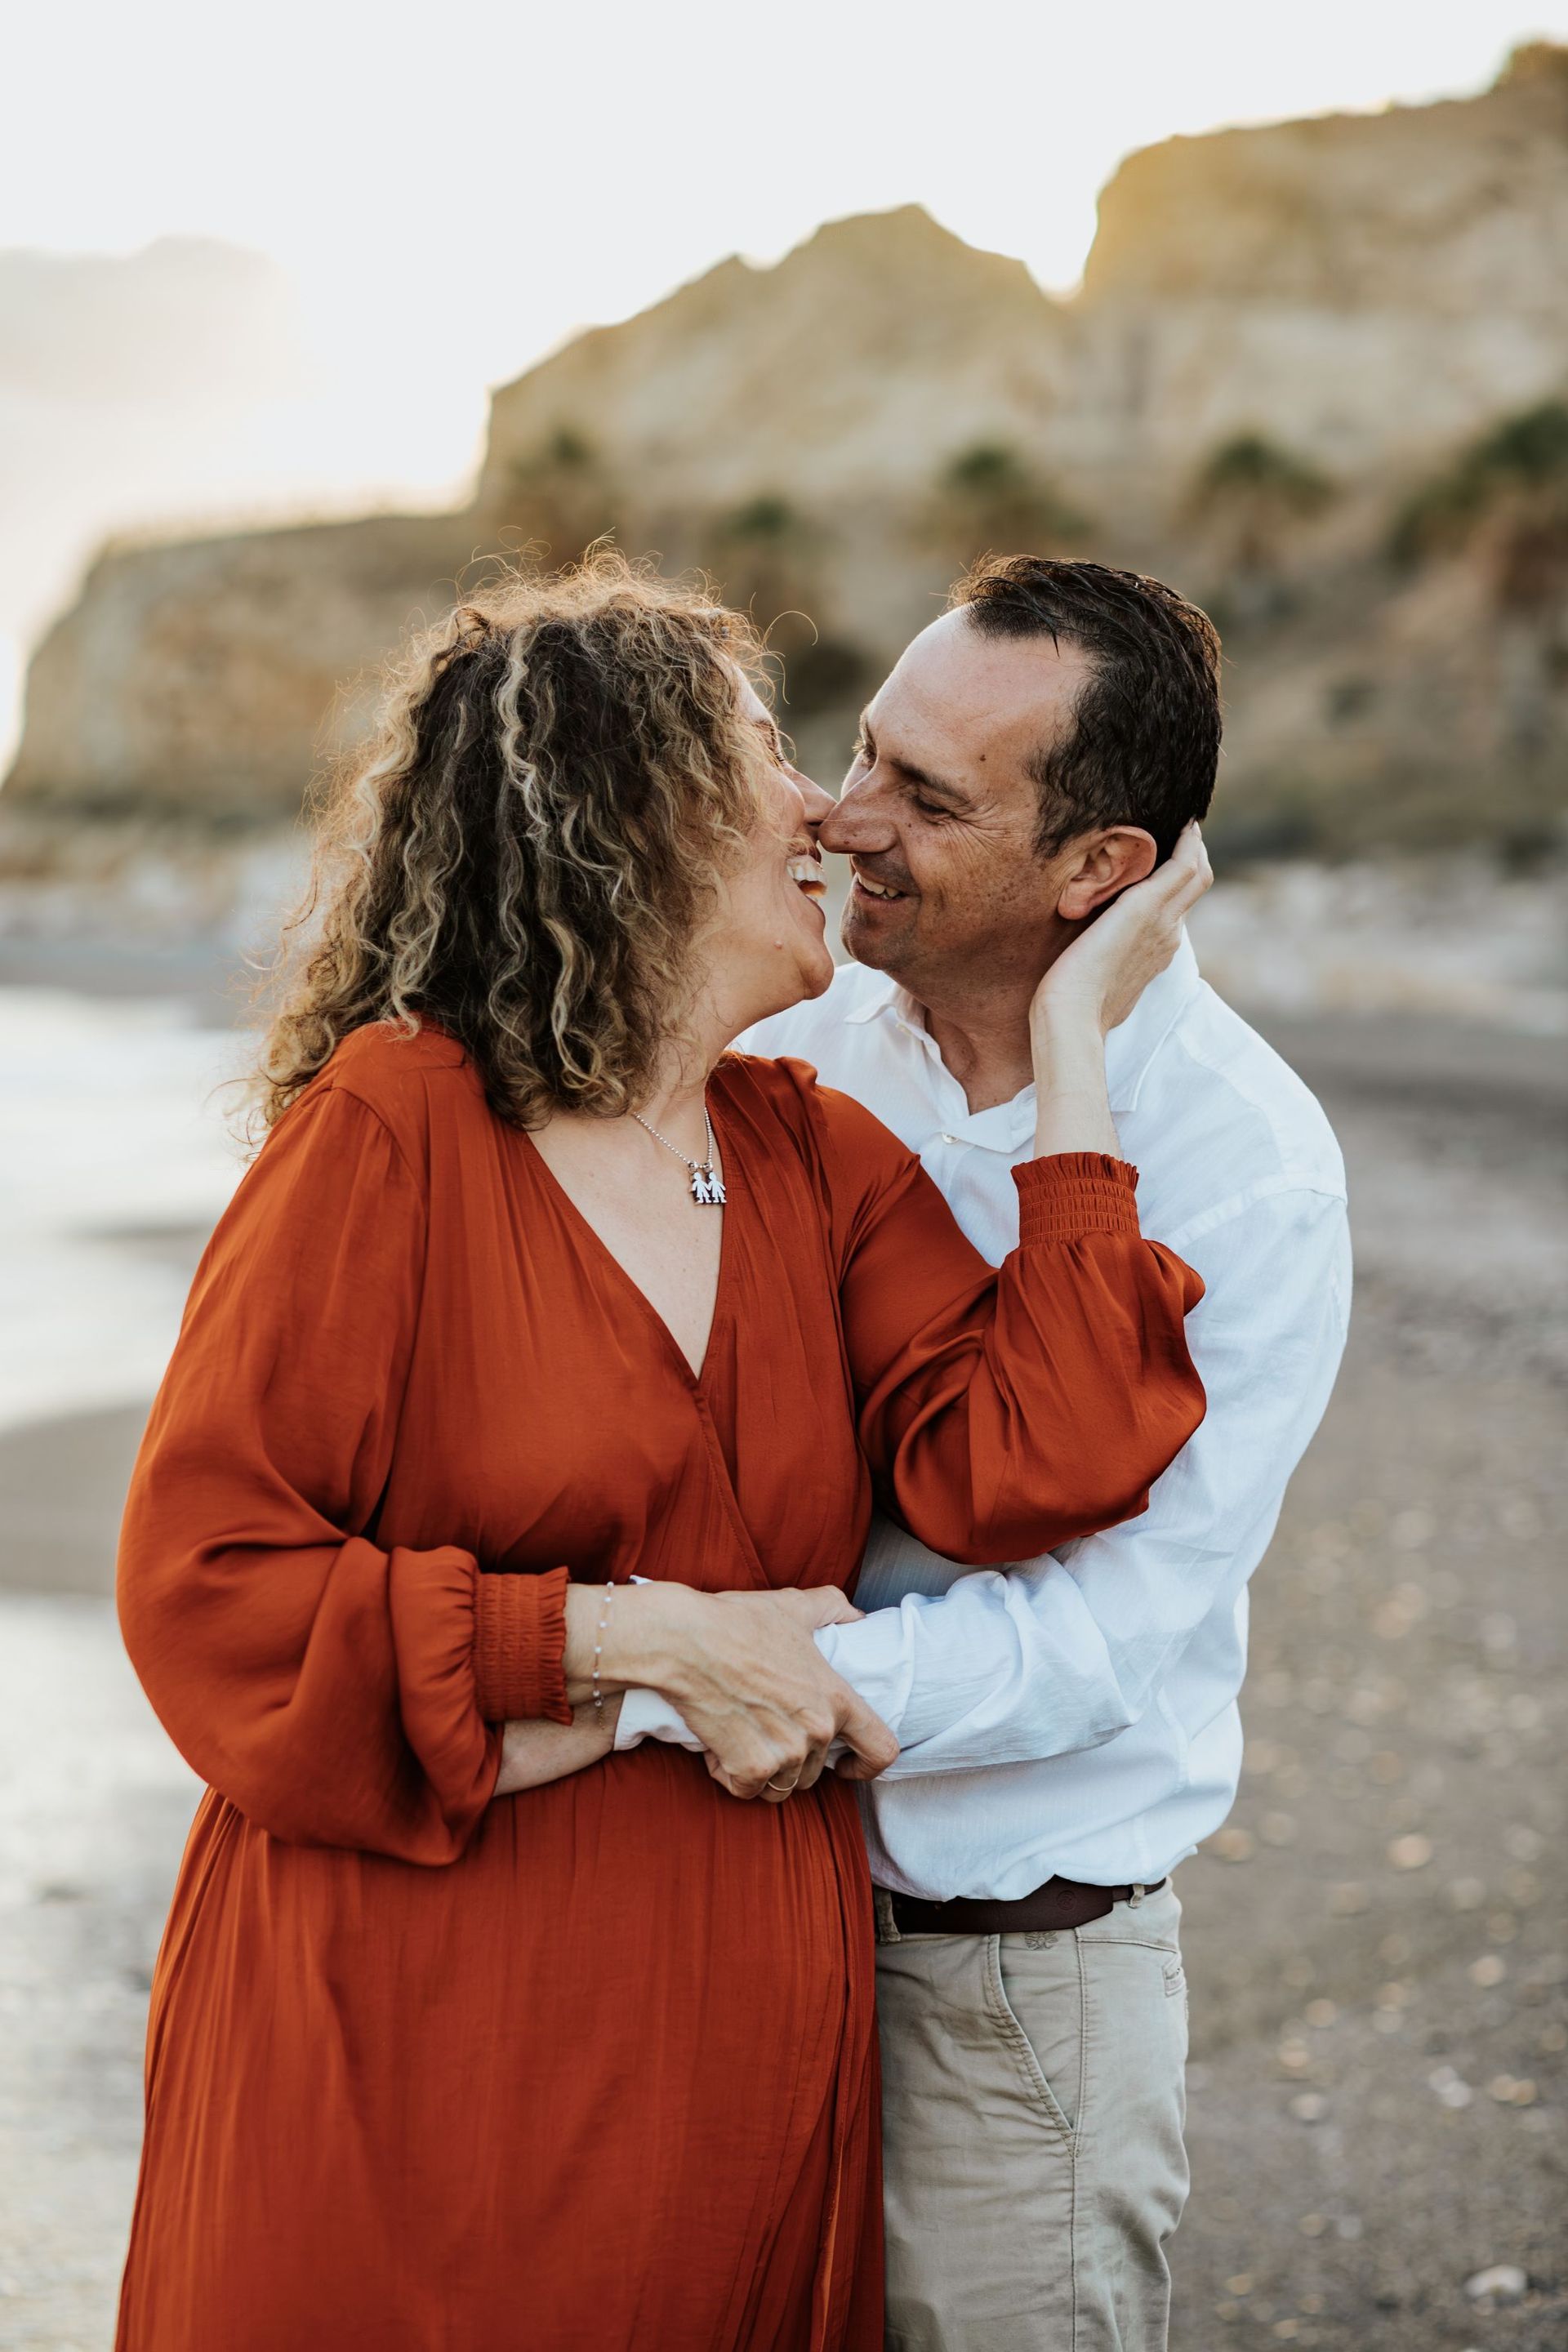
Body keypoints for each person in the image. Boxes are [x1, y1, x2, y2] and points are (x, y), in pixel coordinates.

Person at [113, 556, 1211, 2352]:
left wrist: (1073, 1045)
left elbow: (1049, 1456)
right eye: (770, 750)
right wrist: (641, 1640)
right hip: (408, 2059)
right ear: (632, 817)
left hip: (730, 2086)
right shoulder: (391, 1132)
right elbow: (207, 1596)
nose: (823, 811)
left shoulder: (806, 1154)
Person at [624, 557, 1351, 2350]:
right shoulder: (779, 1031)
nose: (843, 821)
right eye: (863, 750)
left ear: (1102, 872)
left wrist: (673, 1676)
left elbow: (1107, 1636)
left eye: (929, 799)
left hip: (1007, 1979)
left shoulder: (1247, 1165)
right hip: (702, 1928)